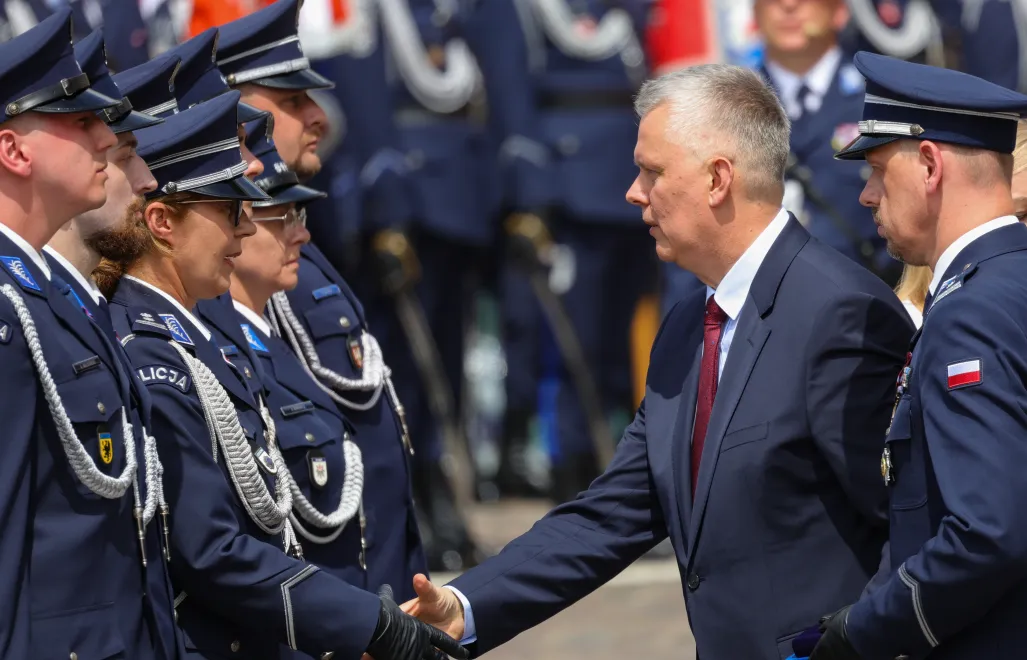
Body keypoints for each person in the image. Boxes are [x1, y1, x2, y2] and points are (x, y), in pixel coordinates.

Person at [400, 63, 913, 659]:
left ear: (718, 178)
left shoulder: (840, 313)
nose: (633, 192)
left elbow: (906, 530)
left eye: (652, 172)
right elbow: (616, 512)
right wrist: (464, 608)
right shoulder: (688, 327)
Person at [93, 91, 465, 660]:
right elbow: (210, 548)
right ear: (162, 222)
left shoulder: (194, 341)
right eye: (229, 213)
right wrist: (366, 625)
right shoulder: (152, 350)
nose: (243, 234)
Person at [214, 0, 442, 588]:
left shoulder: (298, 244)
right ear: (234, 112)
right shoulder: (231, 255)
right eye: (291, 103)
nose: (318, 117)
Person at [809, 53, 1027, 660]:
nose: (867, 196)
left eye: (878, 169)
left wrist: (865, 632)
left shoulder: (972, 311)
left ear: (929, 164)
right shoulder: (1007, 283)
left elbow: (989, 532)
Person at [0, 10, 175, 658]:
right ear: (14, 151)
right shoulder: (9, 312)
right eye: (80, 122)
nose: (107, 139)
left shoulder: (50, 296)